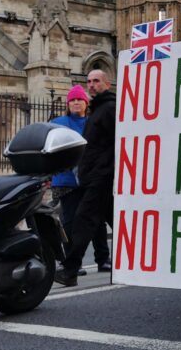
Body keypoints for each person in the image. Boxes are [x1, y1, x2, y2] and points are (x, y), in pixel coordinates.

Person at [55, 69, 116, 287]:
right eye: (89, 81)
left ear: (107, 84)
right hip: (94, 176)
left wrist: (103, 168)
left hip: (101, 176)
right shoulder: (99, 110)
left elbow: (117, 142)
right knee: (116, 221)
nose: (91, 85)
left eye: (96, 81)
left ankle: (70, 270)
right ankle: (146, 261)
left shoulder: (109, 108)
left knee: (82, 221)